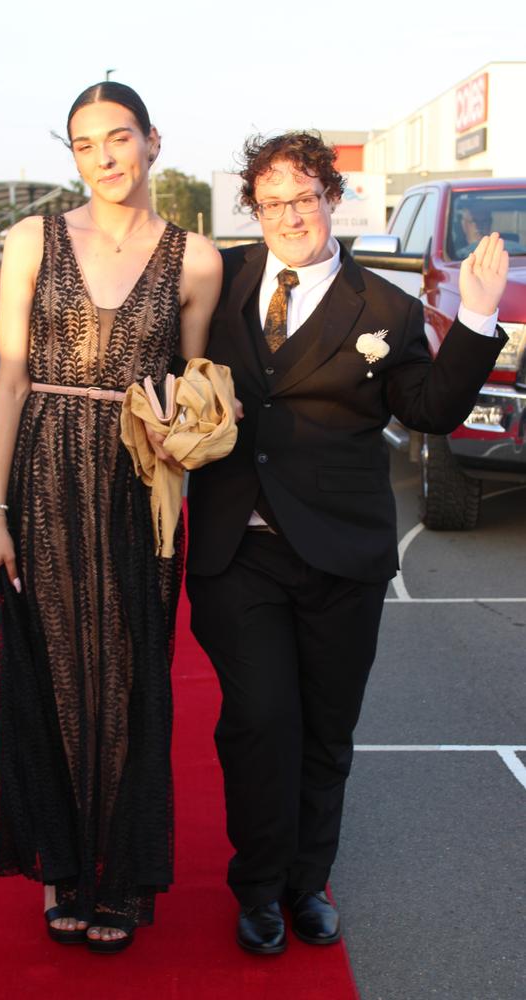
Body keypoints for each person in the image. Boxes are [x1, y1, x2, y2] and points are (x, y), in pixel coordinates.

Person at [186, 131, 508, 955]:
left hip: (341, 553)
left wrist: (476, 315)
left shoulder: (385, 309)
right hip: (239, 547)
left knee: (327, 728)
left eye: (305, 197)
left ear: (334, 198)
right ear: (252, 210)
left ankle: (306, 881)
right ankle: (257, 887)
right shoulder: (219, 280)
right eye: (273, 202)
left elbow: (432, 411)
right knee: (259, 720)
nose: (291, 215)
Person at [0, 81, 221, 953]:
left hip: (135, 487)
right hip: (41, 473)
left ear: (154, 141)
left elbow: (194, 394)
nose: (106, 158)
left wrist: (181, 442)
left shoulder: (196, 259)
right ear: (72, 156)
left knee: (126, 677)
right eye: (85, 145)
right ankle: (63, 869)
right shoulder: (30, 239)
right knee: (49, 675)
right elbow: (9, 380)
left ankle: (118, 877)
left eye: (120, 138)